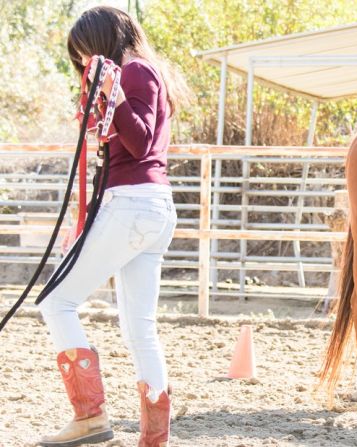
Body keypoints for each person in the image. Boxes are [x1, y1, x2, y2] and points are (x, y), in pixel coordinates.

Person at [37, 6, 187, 447]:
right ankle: (153, 437)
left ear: (104, 43)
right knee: (140, 327)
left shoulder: (135, 73)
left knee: (57, 302)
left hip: (132, 204)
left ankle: (90, 415)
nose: (85, 64)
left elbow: (138, 144)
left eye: (86, 53)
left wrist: (113, 91)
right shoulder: (145, 73)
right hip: (151, 207)